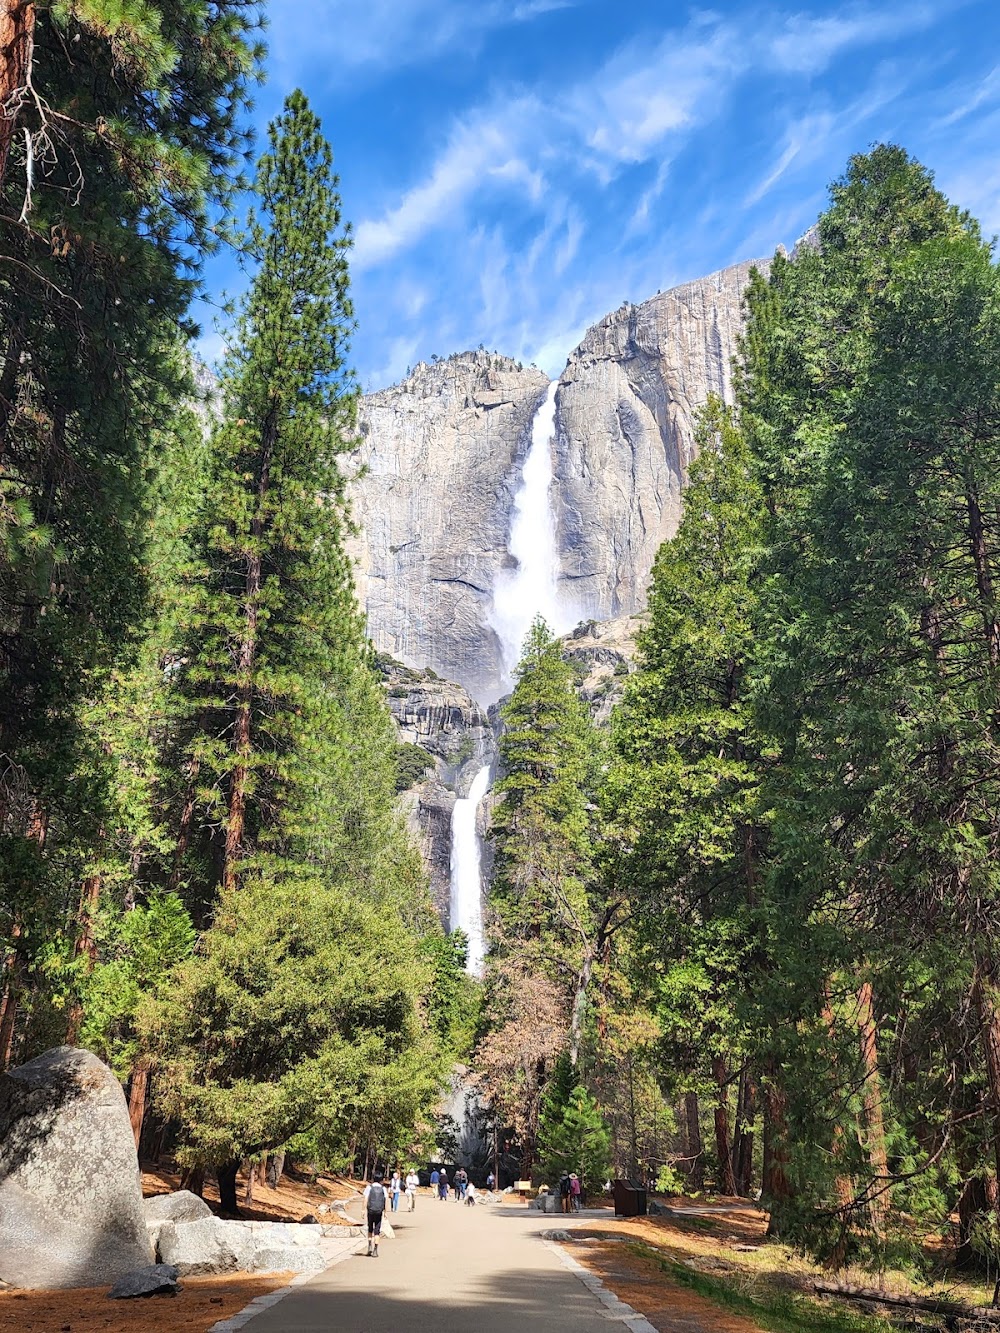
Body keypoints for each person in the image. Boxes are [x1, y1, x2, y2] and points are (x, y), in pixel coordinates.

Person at [363, 1177, 387, 1257]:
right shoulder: (383, 1188)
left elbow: (366, 1199)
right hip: (379, 1211)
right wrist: (385, 1212)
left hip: (370, 1211)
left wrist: (363, 1210)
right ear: (381, 1180)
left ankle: (369, 1245)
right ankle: (375, 1250)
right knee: (377, 1230)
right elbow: (385, 1200)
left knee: (370, 1229)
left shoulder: (369, 1187)